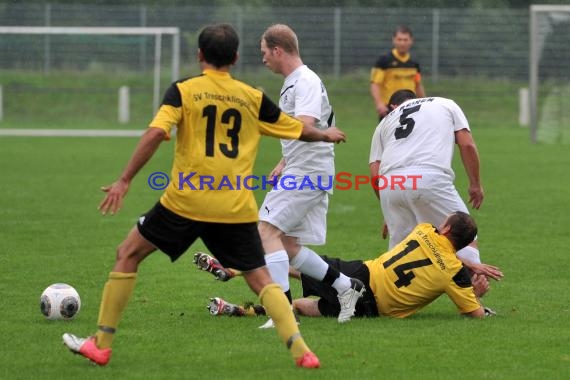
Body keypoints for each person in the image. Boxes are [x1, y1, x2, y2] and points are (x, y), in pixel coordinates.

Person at [61, 23, 349, 369]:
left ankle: (101, 344)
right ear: (236, 57)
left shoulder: (183, 90)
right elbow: (297, 128)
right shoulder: (251, 96)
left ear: (200, 56)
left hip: (185, 201)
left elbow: (155, 133)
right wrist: (324, 135)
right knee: (260, 277)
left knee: (127, 254)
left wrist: (124, 179)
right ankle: (303, 353)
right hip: (233, 205)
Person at [249, 23, 364, 326]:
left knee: (264, 233)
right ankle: (345, 286)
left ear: (277, 50)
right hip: (301, 169)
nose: (263, 59)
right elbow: (299, 131)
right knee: (285, 245)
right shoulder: (293, 81)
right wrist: (283, 161)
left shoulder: (306, 81)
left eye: (264, 53)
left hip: (308, 173)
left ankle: (283, 312)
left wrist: (322, 136)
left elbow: (305, 125)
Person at [201, 212, 502, 319]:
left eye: (444, 222)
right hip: (371, 310)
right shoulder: (455, 272)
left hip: (361, 277)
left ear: (445, 229)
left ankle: (234, 269)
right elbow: (474, 313)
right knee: (304, 306)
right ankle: (238, 310)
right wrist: (477, 292)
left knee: (302, 263)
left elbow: (437, 248)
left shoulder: (424, 230)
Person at [369, 89, 489, 275]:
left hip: (390, 184)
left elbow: (375, 173)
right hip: (428, 178)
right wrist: (475, 184)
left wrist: (388, 208)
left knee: (400, 254)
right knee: (464, 232)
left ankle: (387, 301)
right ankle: (474, 296)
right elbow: (466, 144)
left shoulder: (385, 121)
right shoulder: (445, 103)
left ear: (393, 105)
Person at [370, 25, 426, 120]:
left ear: (411, 41)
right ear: (394, 40)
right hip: (390, 108)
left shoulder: (414, 63)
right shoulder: (384, 60)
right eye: (399, 39)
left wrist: (424, 103)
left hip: (411, 107)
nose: (402, 43)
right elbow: (375, 84)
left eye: (405, 40)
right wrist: (379, 104)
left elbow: (417, 84)